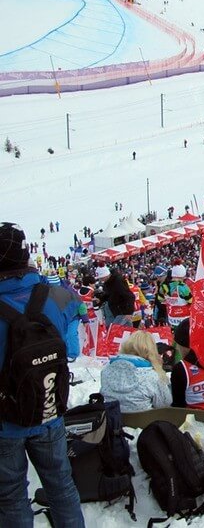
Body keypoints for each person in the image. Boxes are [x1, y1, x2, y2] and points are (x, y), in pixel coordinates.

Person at [0, 222, 85, 527]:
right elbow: (73, 337)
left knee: (11, 498)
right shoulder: (59, 296)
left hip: (6, 422)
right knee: (62, 487)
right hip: (49, 409)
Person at [100, 330, 172, 413]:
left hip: (113, 421)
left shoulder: (106, 370)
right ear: (151, 350)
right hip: (143, 423)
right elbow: (165, 405)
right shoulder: (152, 376)